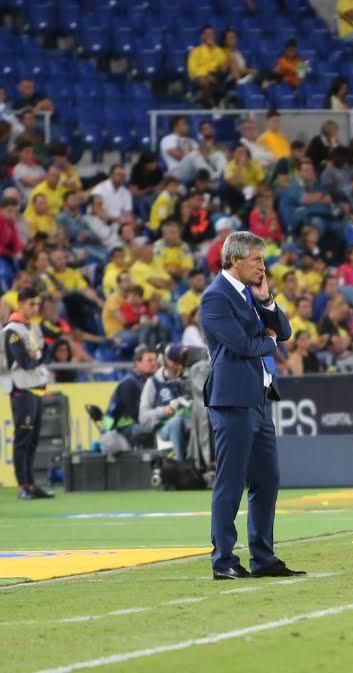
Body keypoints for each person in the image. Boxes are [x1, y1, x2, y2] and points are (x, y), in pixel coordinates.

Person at [200, 231, 302, 580]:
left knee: (267, 479)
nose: (263, 266)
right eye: (257, 260)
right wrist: (269, 342)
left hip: (258, 398)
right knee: (230, 481)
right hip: (231, 400)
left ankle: (263, 557)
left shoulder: (250, 294)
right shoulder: (215, 298)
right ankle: (224, 559)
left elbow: (285, 331)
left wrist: (268, 302)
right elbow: (244, 344)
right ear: (234, 260)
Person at [1, 289, 52, 499]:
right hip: (21, 388)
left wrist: (37, 355)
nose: (35, 308)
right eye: (31, 304)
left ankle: (31, 484)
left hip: (35, 387)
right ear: (20, 304)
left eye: (37, 304)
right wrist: (37, 355)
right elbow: (24, 361)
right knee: (23, 438)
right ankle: (23, 486)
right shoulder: (12, 330)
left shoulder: (33, 327)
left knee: (32, 440)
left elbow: (42, 353)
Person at [102, 345, 159, 452]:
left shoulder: (148, 382)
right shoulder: (129, 383)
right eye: (149, 360)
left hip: (134, 425)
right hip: (121, 429)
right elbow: (135, 413)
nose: (154, 363)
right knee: (154, 430)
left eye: (155, 360)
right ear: (138, 363)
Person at [139, 344, 191, 461]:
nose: (180, 362)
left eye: (182, 359)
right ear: (166, 361)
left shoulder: (189, 379)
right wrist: (163, 411)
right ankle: (181, 465)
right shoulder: (153, 382)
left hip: (189, 423)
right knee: (176, 422)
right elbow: (143, 417)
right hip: (165, 428)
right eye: (177, 360)